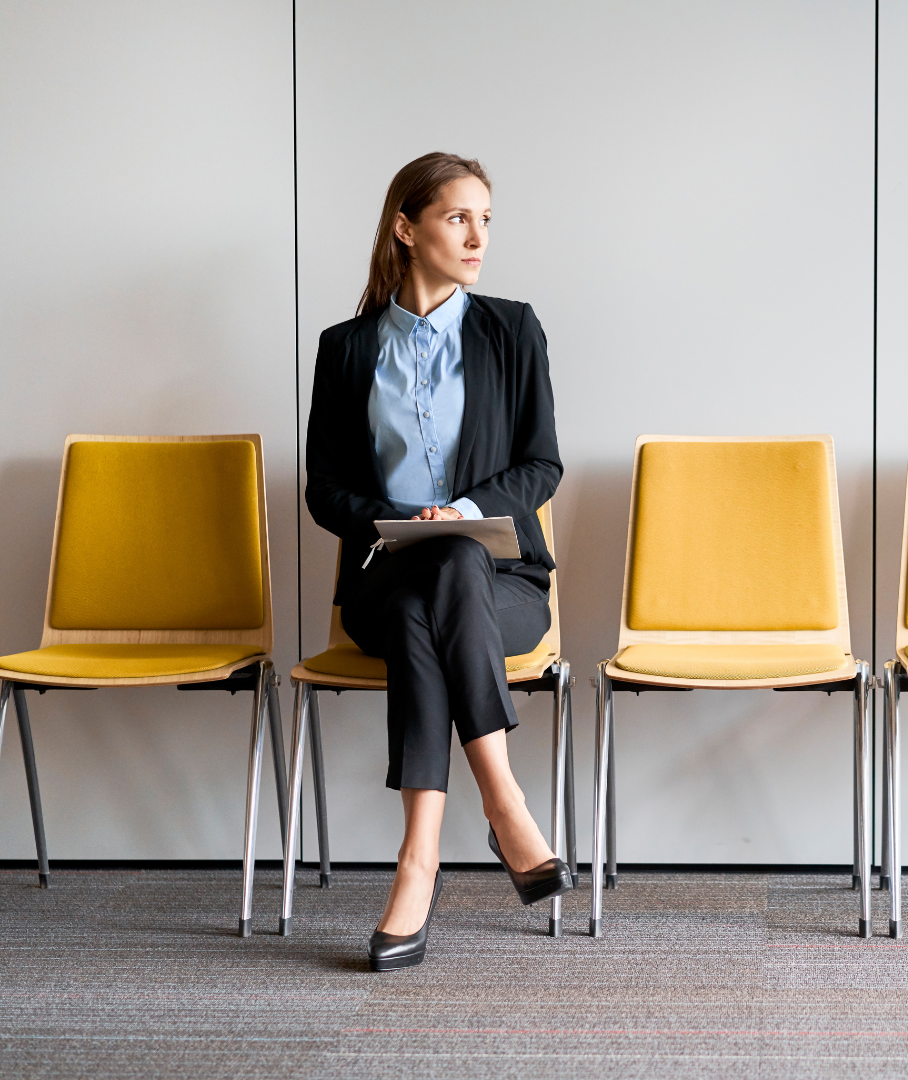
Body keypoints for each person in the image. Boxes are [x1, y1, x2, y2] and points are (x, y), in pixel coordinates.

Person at [305, 152, 571, 971]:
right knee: (429, 584)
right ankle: (505, 802)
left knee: (453, 565)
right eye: (459, 217)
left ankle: (417, 862)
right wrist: (395, 521)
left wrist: (457, 514)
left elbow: (540, 465)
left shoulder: (512, 329)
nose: (476, 235)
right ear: (406, 227)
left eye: (485, 219)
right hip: (386, 583)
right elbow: (327, 488)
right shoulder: (347, 349)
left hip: (505, 587)